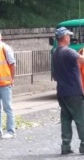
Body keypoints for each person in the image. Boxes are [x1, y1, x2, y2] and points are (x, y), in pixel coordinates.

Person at [52, 26, 84, 155]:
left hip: (62, 91)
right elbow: (82, 60)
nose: (70, 38)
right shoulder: (68, 51)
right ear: (65, 37)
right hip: (73, 91)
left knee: (65, 119)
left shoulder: (55, 52)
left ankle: (65, 145)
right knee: (80, 118)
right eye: (69, 36)